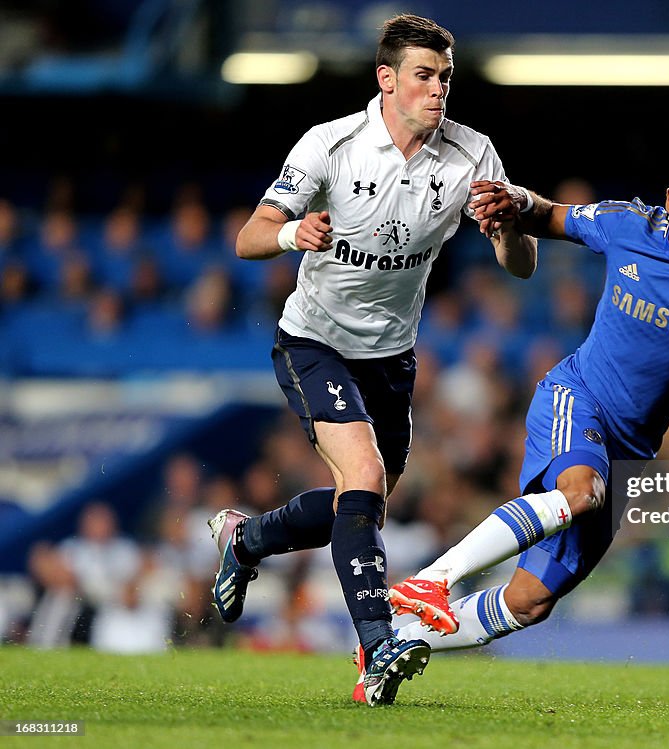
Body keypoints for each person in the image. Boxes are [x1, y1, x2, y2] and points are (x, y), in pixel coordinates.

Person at [207, 14, 536, 707]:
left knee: (363, 502)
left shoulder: (473, 156)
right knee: (363, 474)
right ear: (387, 80)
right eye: (424, 75)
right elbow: (248, 237)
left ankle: (247, 540)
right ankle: (379, 644)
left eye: (446, 76)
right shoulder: (332, 145)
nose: (438, 88)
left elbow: (522, 264)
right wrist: (297, 230)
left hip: (391, 358)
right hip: (314, 340)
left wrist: (506, 228)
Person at [388, 145, 669, 651]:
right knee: (581, 492)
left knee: (529, 602)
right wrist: (515, 199)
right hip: (578, 398)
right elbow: (550, 215)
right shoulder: (628, 226)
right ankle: (436, 577)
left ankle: (392, 644)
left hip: (628, 452)